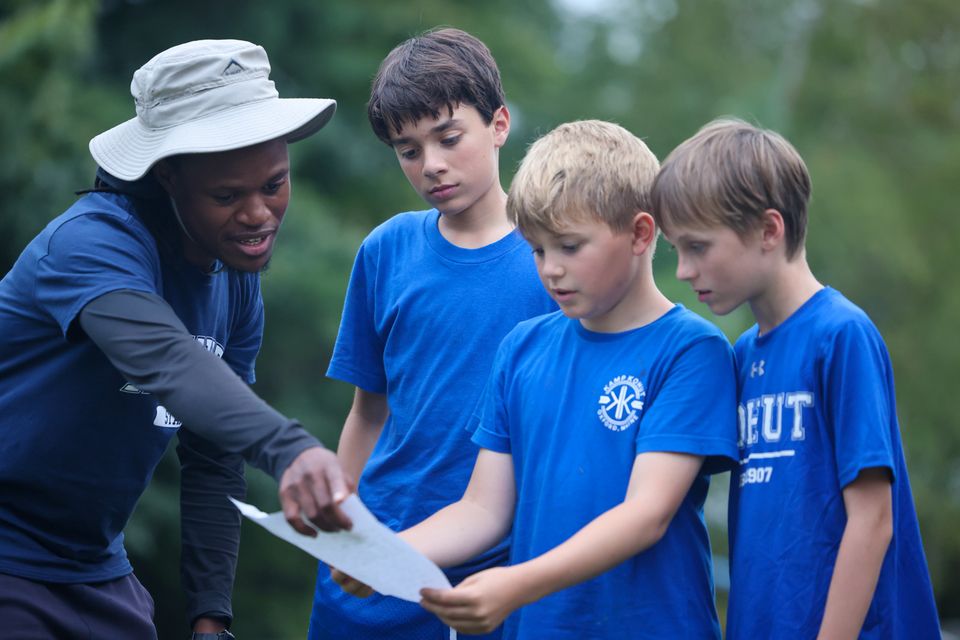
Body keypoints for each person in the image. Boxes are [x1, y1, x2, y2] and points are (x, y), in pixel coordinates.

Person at [0, 39, 353, 640]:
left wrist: (210, 616)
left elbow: (215, 455)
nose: (258, 215)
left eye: (274, 185)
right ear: (167, 176)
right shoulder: (92, 246)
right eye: (226, 196)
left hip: (92, 564)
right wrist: (290, 448)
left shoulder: (234, 283)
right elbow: (168, 362)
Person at [336, 120, 740, 638]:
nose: (550, 270)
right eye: (538, 249)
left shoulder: (691, 350)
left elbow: (646, 514)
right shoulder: (522, 348)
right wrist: (388, 554)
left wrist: (513, 584)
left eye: (570, 247)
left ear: (641, 233)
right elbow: (483, 509)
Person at [307, 27, 556, 640]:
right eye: (408, 150)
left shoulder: (554, 258)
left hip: (495, 573)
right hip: (372, 565)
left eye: (449, 138)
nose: (432, 165)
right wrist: (345, 528)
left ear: (498, 125)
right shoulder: (386, 250)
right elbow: (368, 412)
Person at [649, 117, 941, 639]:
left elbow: (874, 521)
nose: (686, 270)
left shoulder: (841, 336)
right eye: (677, 251)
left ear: (768, 230)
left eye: (698, 247)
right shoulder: (740, 354)